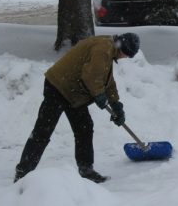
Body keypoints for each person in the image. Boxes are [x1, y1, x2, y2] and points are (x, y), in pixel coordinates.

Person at [13, 33, 140, 183]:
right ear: (121, 46)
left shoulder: (109, 48)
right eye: (126, 54)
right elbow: (91, 77)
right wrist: (99, 95)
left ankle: (86, 169)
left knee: (84, 128)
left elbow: (107, 80)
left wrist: (116, 105)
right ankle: (23, 173)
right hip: (58, 86)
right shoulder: (103, 49)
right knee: (43, 130)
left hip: (73, 92)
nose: (124, 57)